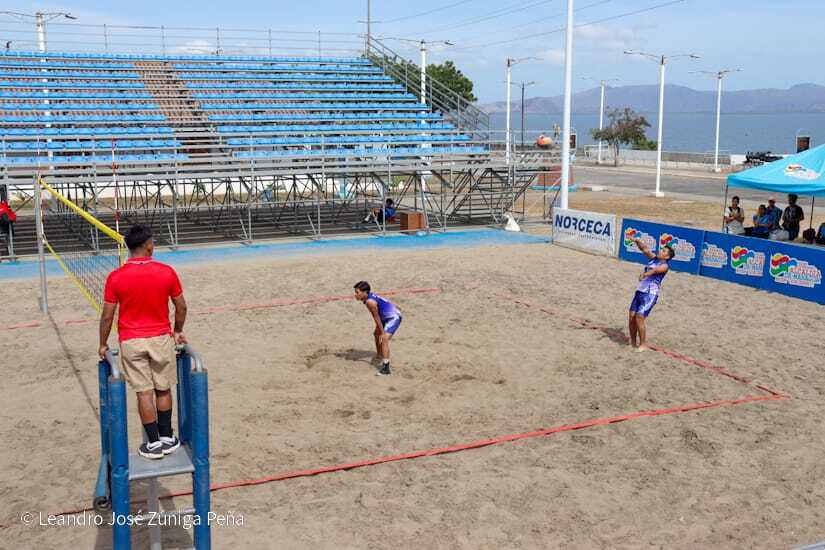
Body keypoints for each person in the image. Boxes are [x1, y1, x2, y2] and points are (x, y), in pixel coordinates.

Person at [99, 225, 188, 460]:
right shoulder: (166, 271)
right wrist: (178, 330)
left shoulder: (116, 277)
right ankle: (167, 436)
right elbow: (181, 306)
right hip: (160, 338)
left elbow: (107, 315)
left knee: (143, 392)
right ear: (148, 245)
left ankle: (153, 442)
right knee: (163, 387)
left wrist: (102, 343)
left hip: (131, 340)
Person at [628, 238, 674, 352]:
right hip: (640, 291)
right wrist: (636, 240)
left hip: (650, 294)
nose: (660, 251)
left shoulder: (665, 266)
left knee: (639, 317)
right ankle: (633, 342)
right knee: (631, 317)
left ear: (667, 257)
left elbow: (654, 271)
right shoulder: (653, 259)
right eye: (661, 249)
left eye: (663, 251)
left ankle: (643, 344)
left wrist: (644, 274)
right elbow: (644, 249)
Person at [353, 281, 402, 376]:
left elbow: (376, 317)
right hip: (385, 316)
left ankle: (386, 368)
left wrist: (383, 332)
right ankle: (380, 354)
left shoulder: (369, 302)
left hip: (393, 317)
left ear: (364, 292)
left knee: (384, 339)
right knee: (376, 334)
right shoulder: (369, 296)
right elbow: (383, 302)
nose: (355, 295)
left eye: (357, 292)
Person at [0, 191, 16, 257]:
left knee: (8, 240)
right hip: (4, 228)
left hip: (5, 228)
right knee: (7, 240)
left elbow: (13, 217)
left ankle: (9, 251)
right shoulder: (3, 208)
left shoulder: (5, 207)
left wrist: (10, 219)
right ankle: (8, 251)